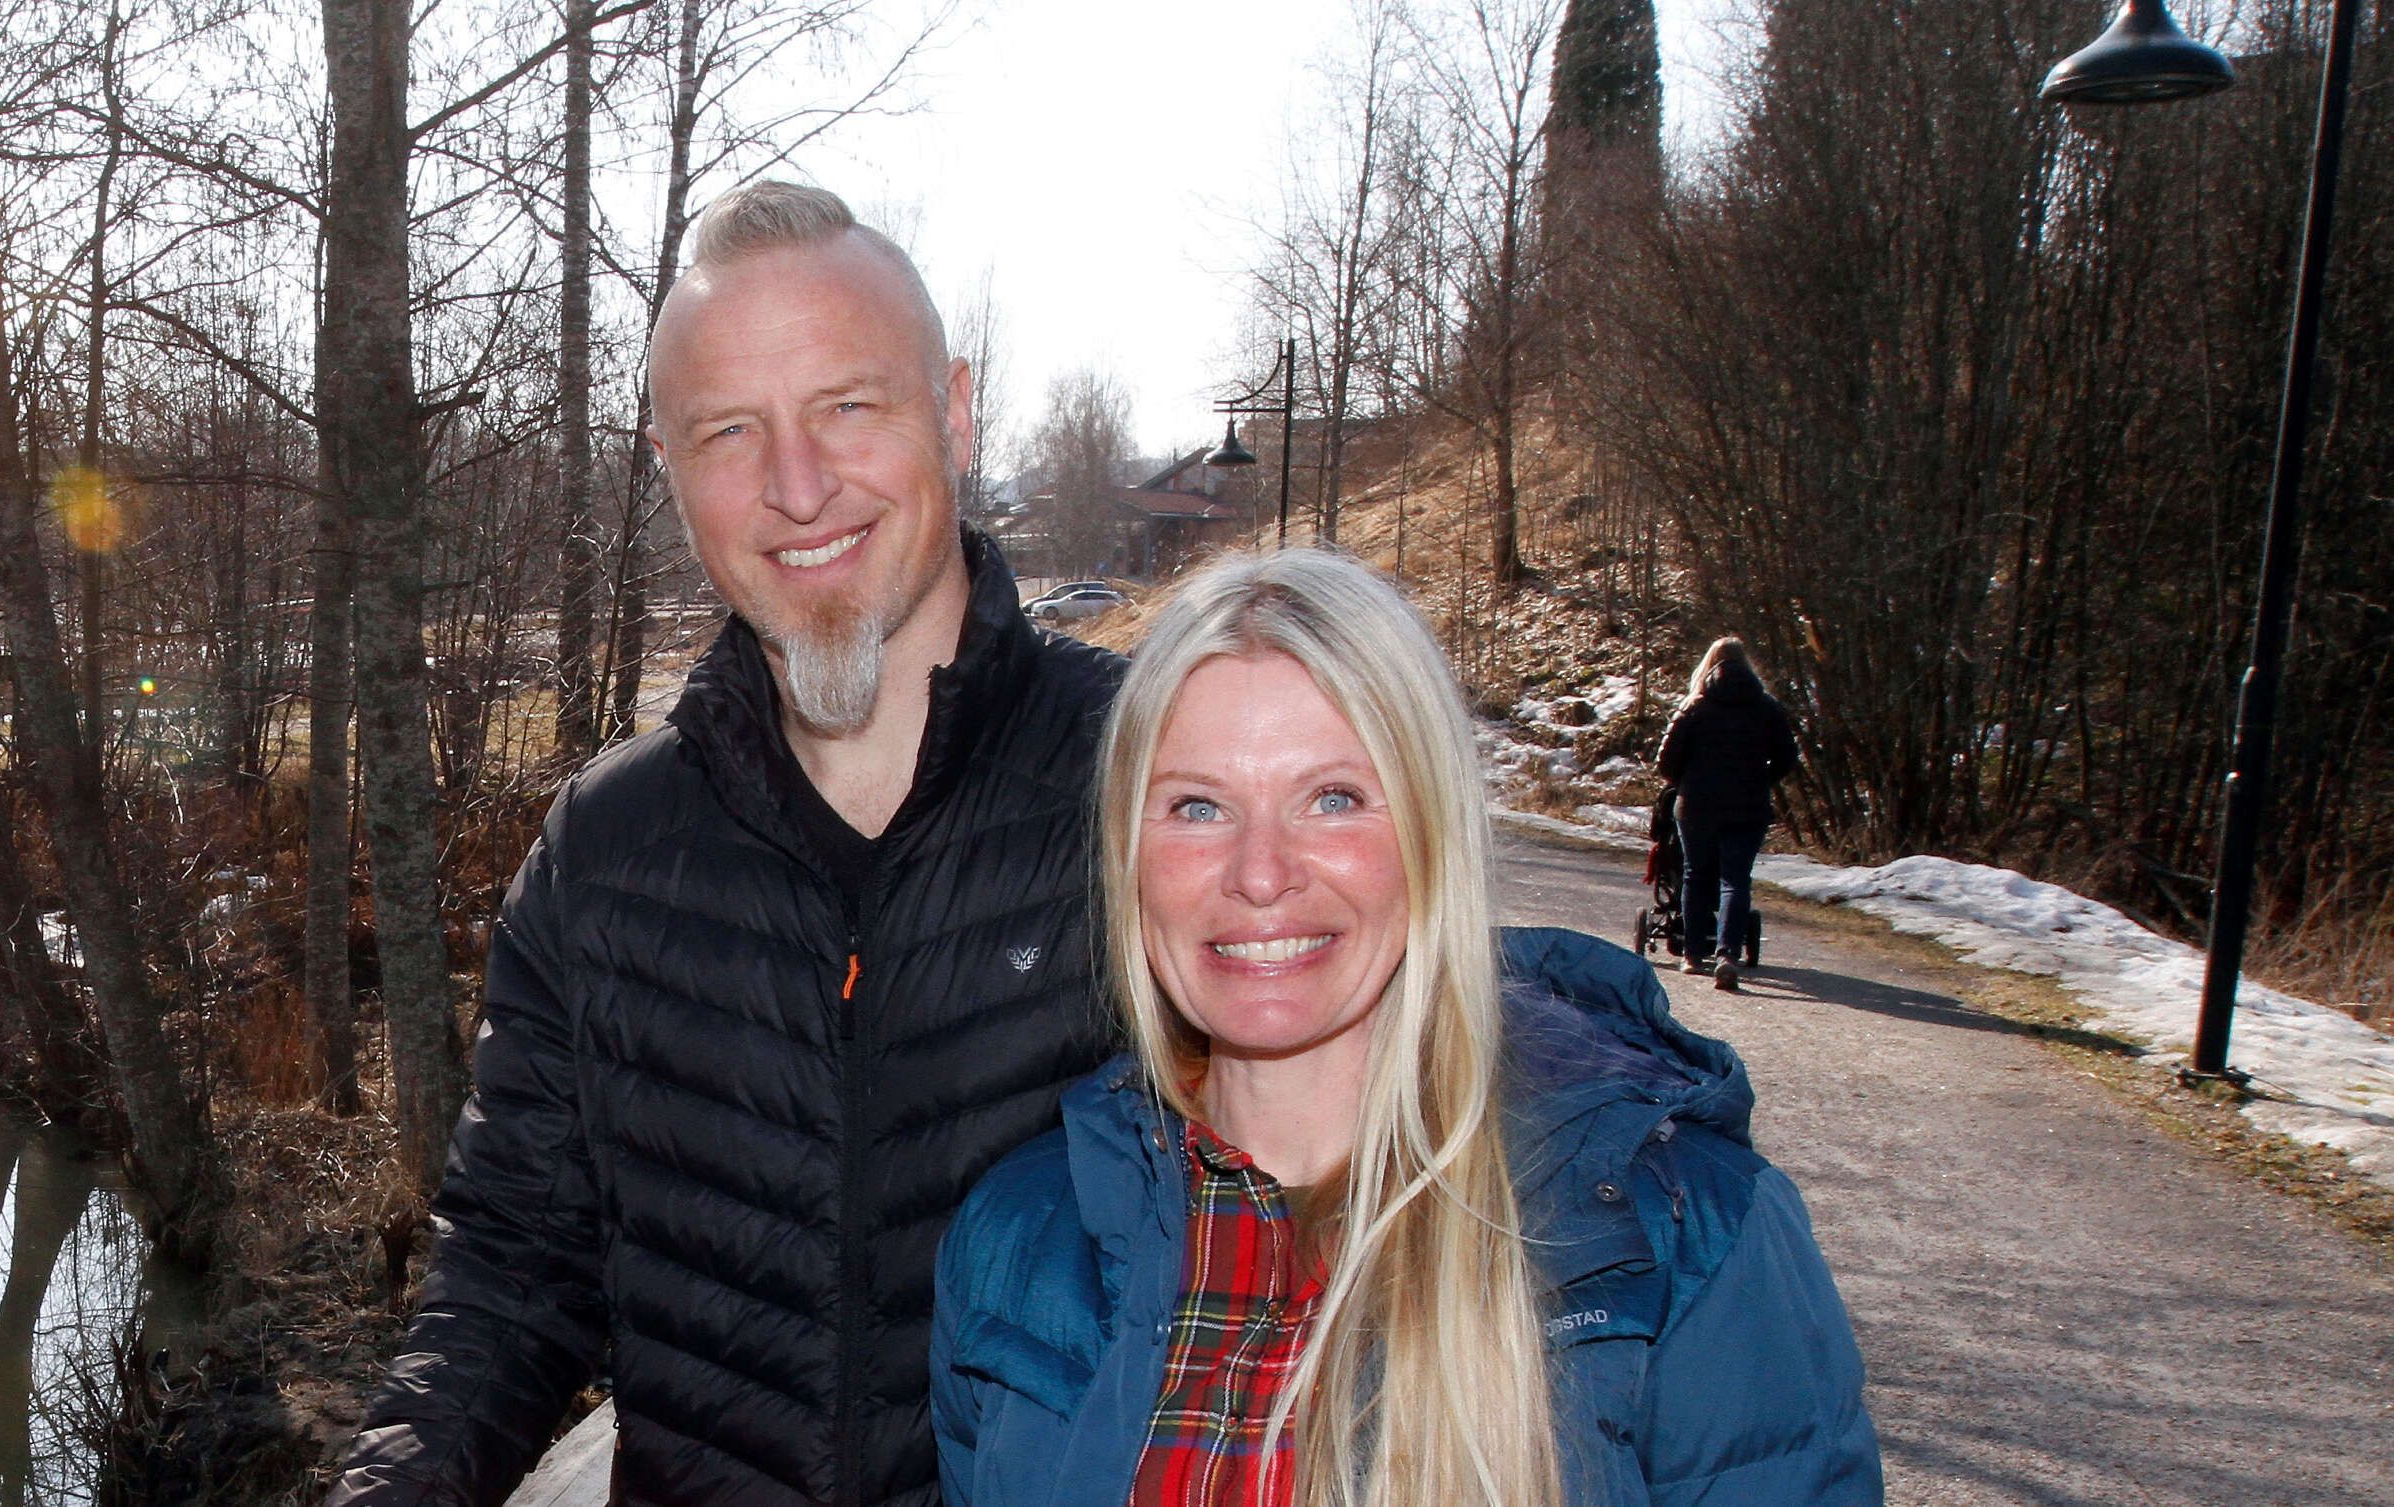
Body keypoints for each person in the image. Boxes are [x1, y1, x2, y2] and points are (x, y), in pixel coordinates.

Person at [326, 182, 1124, 1507]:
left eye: (847, 406)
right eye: (730, 431)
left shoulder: (1153, 785)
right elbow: (511, 1277)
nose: (797, 487)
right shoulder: (606, 851)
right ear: (668, 464)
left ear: (956, 411)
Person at [932, 550, 1879, 1507]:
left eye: (1332, 798)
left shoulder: (1682, 1240)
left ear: (1433, 831)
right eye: (1198, 805)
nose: (1259, 873)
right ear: (1126, 852)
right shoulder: (1020, 1237)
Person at [1654, 637, 1801, 991]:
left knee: (1695, 875)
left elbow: (1666, 761)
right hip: (1748, 806)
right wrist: (1761, 779)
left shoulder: (1694, 706)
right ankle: (1727, 956)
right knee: (1735, 880)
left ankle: (1692, 955)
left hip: (1697, 806)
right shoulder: (1767, 707)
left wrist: (1686, 781)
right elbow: (1788, 757)